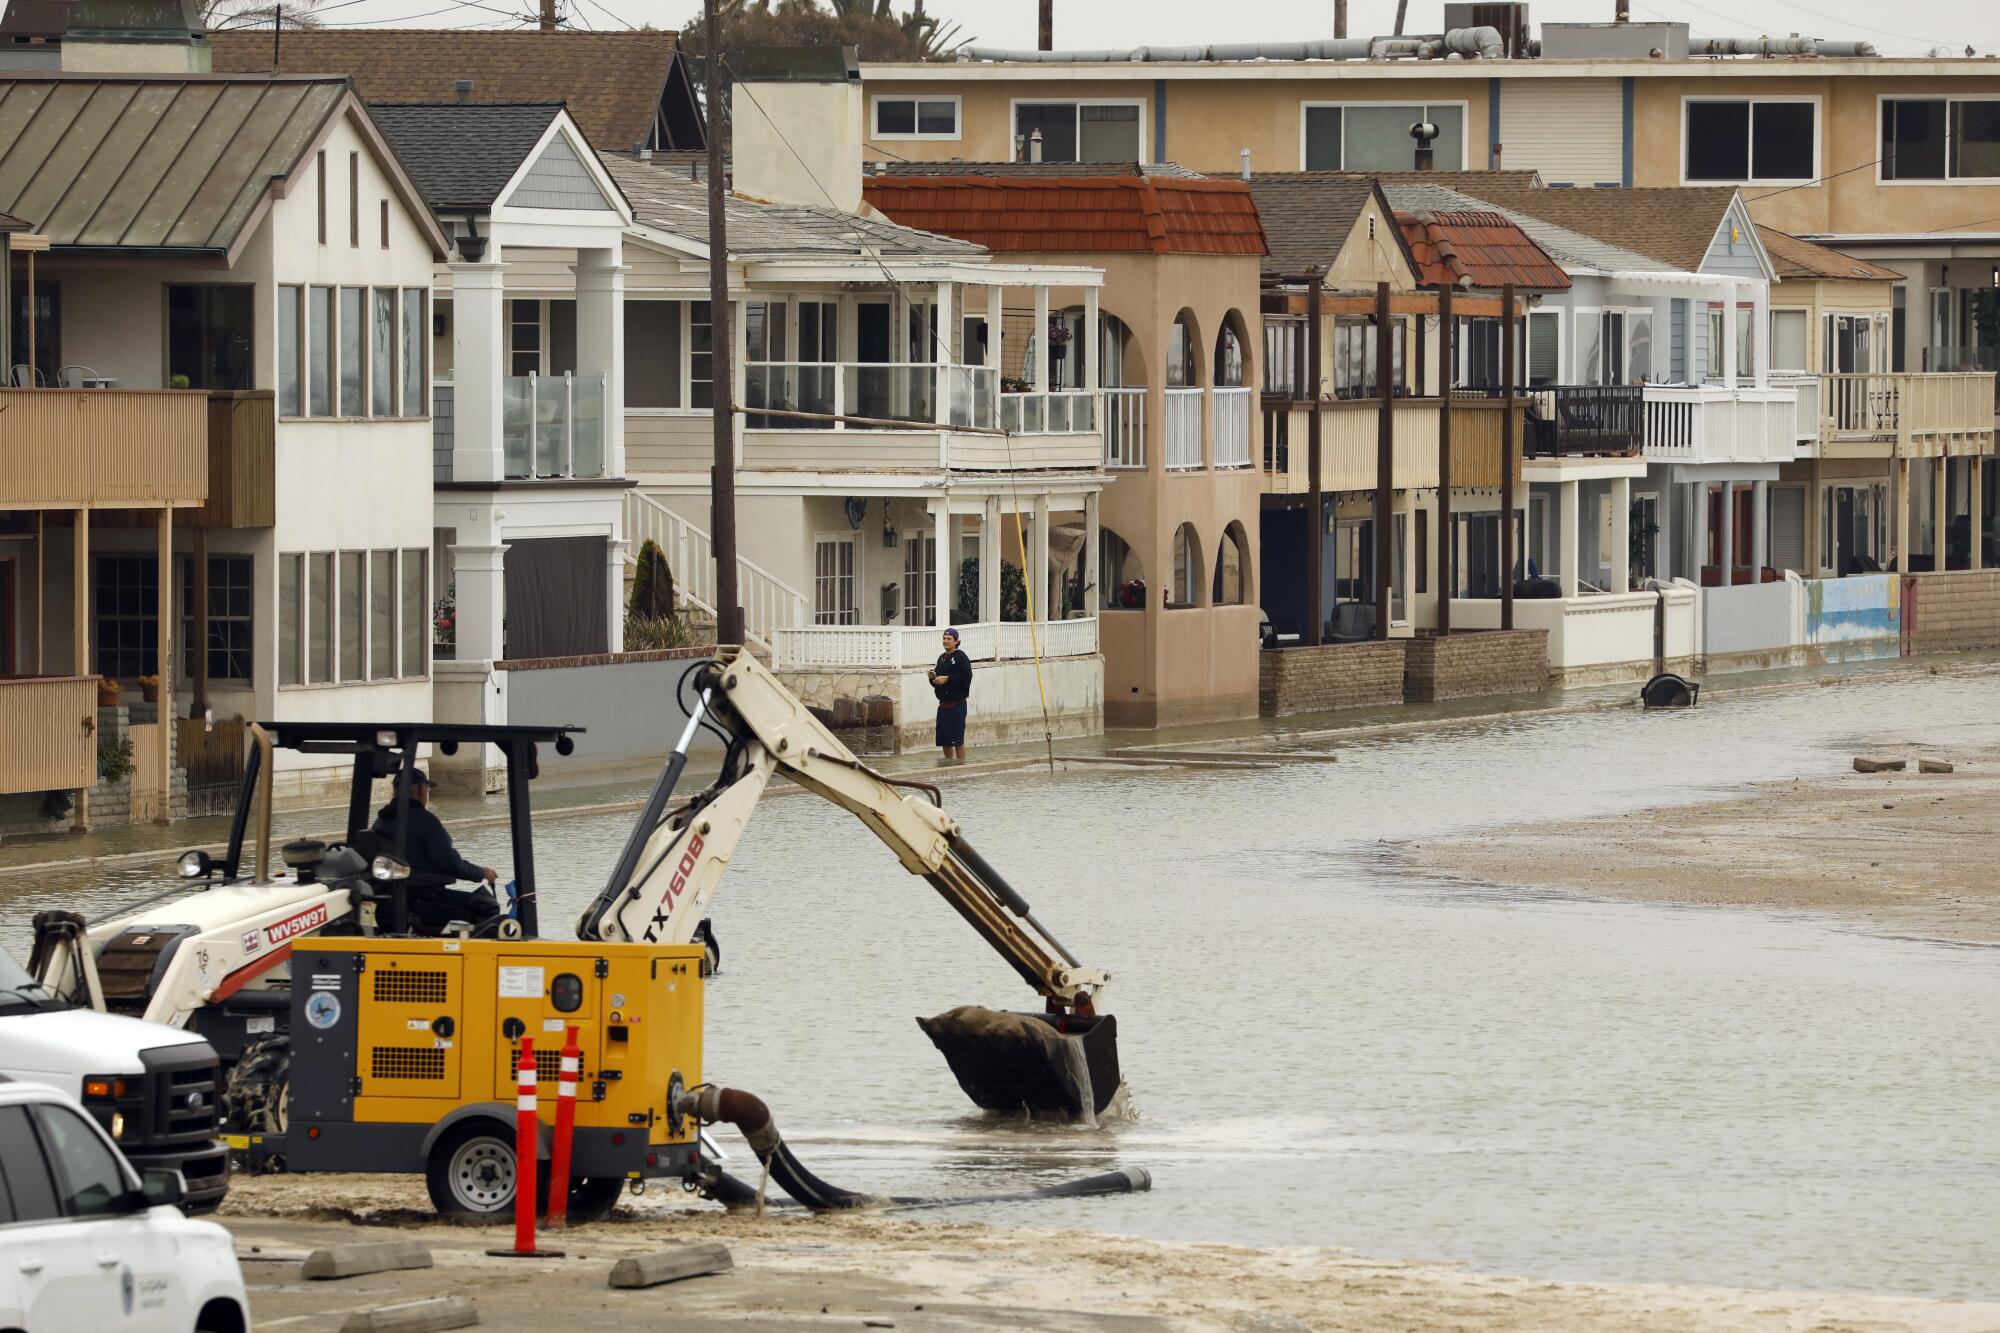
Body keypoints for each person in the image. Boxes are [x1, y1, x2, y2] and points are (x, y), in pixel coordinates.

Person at [370, 769, 501, 930]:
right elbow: (449, 863)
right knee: (487, 905)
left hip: (388, 899)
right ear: (420, 790)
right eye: (427, 788)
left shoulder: (381, 820)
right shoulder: (425, 821)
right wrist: (481, 873)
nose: (427, 793)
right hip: (420, 898)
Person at [930, 627, 973, 763]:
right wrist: (932, 678)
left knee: (957, 740)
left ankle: (961, 767)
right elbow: (937, 682)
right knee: (944, 740)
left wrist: (947, 678)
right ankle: (948, 766)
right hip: (943, 706)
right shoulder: (941, 658)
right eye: (944, 638)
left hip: (957, 706)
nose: (946, 641)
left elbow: (966, 677)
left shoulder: (961, 657)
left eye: (949, 639)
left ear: (956, 642)